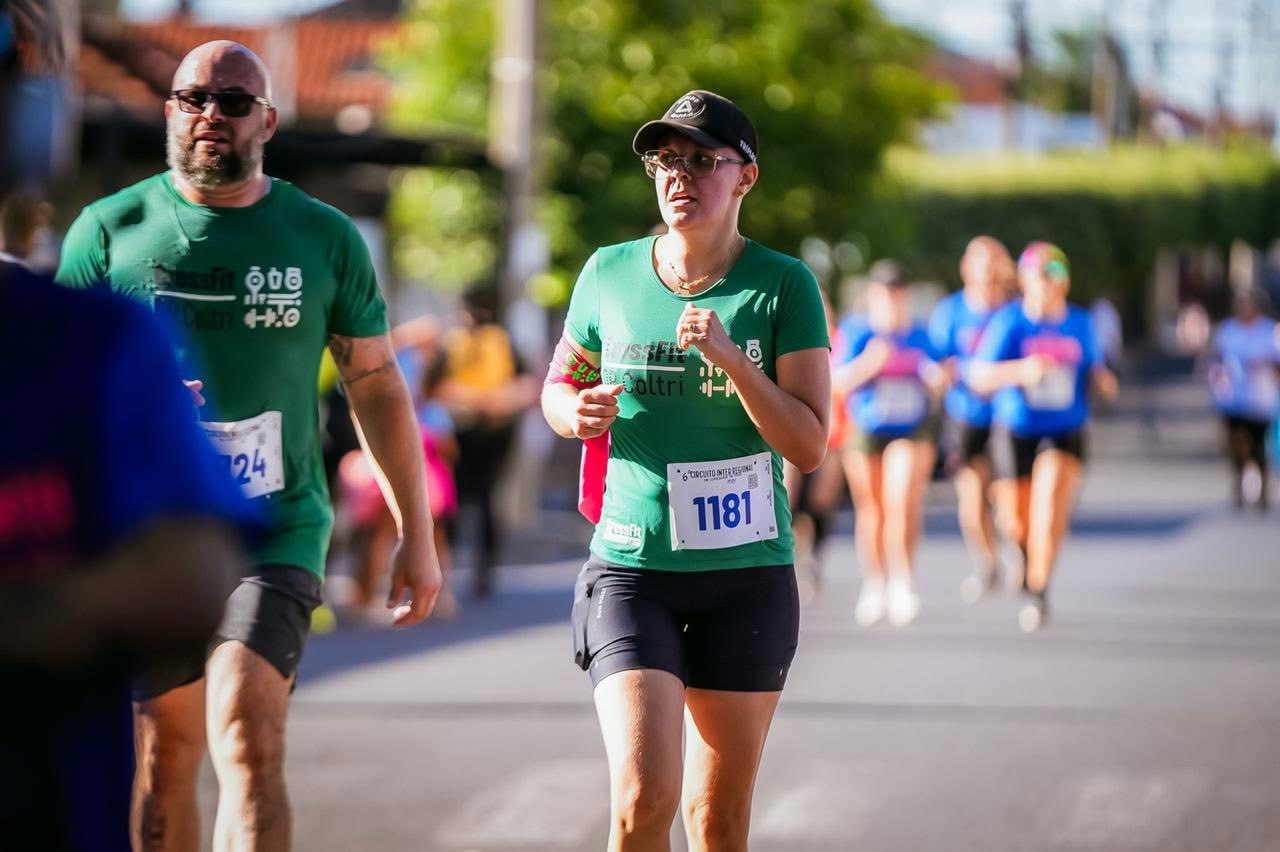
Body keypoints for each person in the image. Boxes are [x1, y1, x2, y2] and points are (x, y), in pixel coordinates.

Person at [55, 41, 442, 851]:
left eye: (234, 103)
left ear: (265, 120)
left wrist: (417, 530)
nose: (212, 116)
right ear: (171, 110)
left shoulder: (323, 237)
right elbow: (54, 391)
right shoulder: (109, 229)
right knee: (165, 755)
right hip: (146, 535)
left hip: (276, 526)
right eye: (195, 98)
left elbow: (374, 382)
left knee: (246, 730)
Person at [542, 90, 830, 850]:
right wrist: (575, 414)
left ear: (746, 178)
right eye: (664, 159)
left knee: (717, 818)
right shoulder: (609, 273)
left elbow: (808, 444)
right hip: (633, 569)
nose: (679, 175)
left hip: (747, 578)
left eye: (702, 160)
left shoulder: (784, 285)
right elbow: (557, 387)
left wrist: (735, 361)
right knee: (642, 800)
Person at [0, 264, 255, 851]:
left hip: (48, 806)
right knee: (169, 753)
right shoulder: (101, 272)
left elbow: (186, 585)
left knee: (244, 737)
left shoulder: (85, 334)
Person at [969, 242, 1118, 632]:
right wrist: (1022, 371)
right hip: (1015, 429)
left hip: (1065, 428)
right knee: (1016, 521)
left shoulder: (1081, 322)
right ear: (1025, 280)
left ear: (1065, 283)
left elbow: (1095, 369)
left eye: (1056, 278)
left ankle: (1039, 590)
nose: (1049, 286)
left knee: (1049, 505)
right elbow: (979, 377)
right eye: (1040, 278)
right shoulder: (1010, 322)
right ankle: (1024, 557)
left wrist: (1103, 381)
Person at [834, 260, 946, 628]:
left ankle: (903, 580)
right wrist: (870, 364)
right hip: (867, 427)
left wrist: (936, 378)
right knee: (873, 509)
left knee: (902, 501)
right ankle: (875, 581)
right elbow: (837, 383)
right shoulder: (858, 331)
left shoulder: (920, 334)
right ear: (873, 296)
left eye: (898, 293)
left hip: (911, 428)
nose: (892, 301)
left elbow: (943, 373)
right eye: (885, 293)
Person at [928, 236, 1016, 601]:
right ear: (966, 267)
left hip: (1010, 415)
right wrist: (942, 375)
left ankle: (1017, 553)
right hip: (965, 415)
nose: (987, 269)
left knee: (1008, 497)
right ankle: (987, 561)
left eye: (994, 260)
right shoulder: (950, 312)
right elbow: (935, 364)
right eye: (980, 261)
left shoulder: (1015, 312)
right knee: (972, 496)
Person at [439, 288, 538, 598]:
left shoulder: (489, 341)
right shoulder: (485, 341)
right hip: (470, 432)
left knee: (472, 501)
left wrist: (487, 402)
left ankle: (471, 570)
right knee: (470, 502)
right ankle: (461, 570)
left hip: (484, 432)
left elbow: (526, 386)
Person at [1205, 288, 1279, 511]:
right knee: (1234, 443)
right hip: (1232, 398)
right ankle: (1239, 479)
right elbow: (1216, 359)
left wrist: (1266, 367)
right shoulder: (1228, 331)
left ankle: (1262, 487)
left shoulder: (1270, 331)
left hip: (1260, 398)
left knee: (1257, 445)